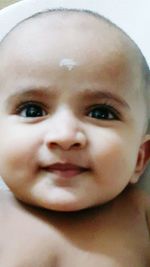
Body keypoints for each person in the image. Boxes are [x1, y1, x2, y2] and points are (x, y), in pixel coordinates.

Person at [0, 8, 149, 266]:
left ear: (140, 158)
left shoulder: (140, 213)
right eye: (32, 110)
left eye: (101, 113)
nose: (65, 136)